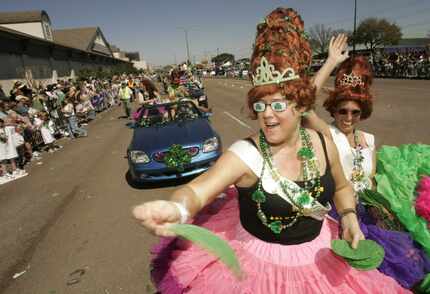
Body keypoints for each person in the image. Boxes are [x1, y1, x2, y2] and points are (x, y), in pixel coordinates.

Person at [133, 7, 409, 293]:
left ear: (301, 106)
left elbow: (340, 187)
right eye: (260, 105)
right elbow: (197, 190)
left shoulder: (323, 142)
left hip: (322, 256)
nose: (267, 115)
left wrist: (349, 216)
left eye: (278, 105)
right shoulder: (246, 154)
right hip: (254, 269)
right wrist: (176, 208)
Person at [304, 55, 430, 290]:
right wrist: (331, 62)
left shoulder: (369, 140)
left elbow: (370, 181)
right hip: (339, 214)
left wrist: (385, 211)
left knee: (408, 256)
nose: (349, 118)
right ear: (334, 111)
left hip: (369, 212)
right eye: (343, 111)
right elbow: (303, 106)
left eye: (356, 112)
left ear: (363, 113)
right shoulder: (330, 135)